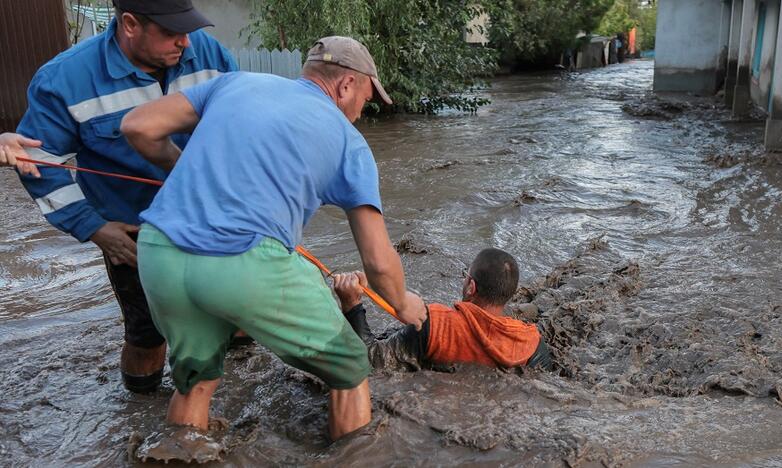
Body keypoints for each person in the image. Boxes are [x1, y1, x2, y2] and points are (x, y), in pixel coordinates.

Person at [120, 36, 427, 440]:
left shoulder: (234, 82)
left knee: (195, 379)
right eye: (366, 100)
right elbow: (377, 260)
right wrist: (403, 303)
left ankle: (181, 448)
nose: (359, 113)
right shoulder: (349, 141)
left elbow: (137, 126)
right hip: (242, 262)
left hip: (158, 251)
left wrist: (181, 168)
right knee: (351, 366)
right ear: (346, 85)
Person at [10, 0, 237, 394]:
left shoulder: (210, 54)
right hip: (133, 231)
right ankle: (140, 404)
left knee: (236, 310)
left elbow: (242, 126)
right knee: (147, 335)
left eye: (187, 28)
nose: (186, 41)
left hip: (212, 217)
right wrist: (94, 228)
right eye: (171, 32)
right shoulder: (64, 79)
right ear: (130, 24)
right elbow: (42, 163)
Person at [333, 248, 554, 371]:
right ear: (509, 294)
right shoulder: (533, 344)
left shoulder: (434, 324)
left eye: (465, 276)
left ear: (471, 287)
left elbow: (372, 362)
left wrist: (352, 304)